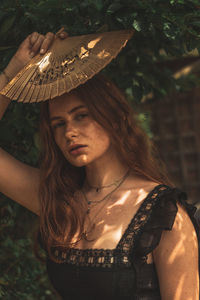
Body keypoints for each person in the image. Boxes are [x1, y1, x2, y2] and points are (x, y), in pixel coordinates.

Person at [0, 30, 199, 300]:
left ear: (113, 117)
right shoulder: (58, 199)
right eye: (59, 124)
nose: (69, 132)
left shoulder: (163, 215)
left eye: (81, 116)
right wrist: (13, 71)